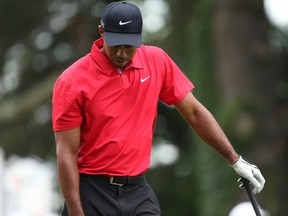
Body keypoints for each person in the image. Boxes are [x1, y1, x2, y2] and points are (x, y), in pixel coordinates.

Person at [52, 1, 265, 216]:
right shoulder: (72, 81)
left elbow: (194, 112)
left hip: (137, 191)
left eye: (129, 46)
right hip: (93, 193)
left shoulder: (156, 61)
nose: (122, 53)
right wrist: (75, 211)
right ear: (101, 32)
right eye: (116, 44)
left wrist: (235, 159)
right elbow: (66, 152)